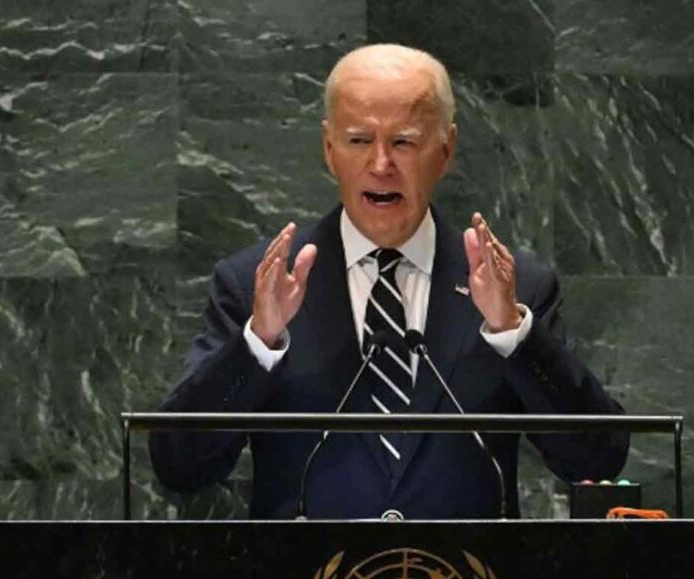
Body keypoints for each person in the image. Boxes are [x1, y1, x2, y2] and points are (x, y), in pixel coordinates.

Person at [149, 43, 628, 519]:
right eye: (359, 140)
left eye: (403, 141)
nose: (381, 164)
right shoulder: (256, 284)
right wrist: (257, 343)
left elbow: (596, 458)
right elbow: (180, 466)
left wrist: (513, 334)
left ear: (446, 148)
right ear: (329, 148)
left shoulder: (516, 287)